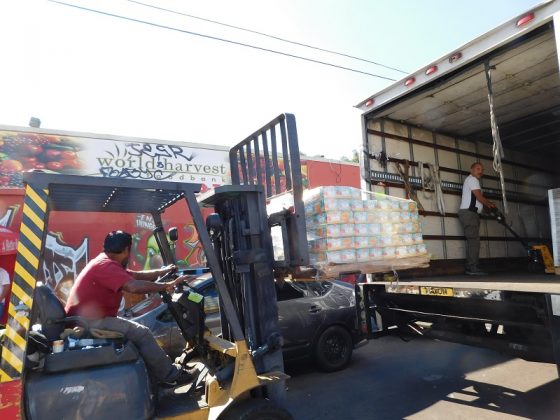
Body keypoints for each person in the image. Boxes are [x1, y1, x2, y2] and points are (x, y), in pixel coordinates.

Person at [65, 230, 194, 386]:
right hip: (89, 322)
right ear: (126, 249)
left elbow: (136, 276)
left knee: (137, 332)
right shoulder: (106, 266)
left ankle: (156, 374)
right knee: (142, 333)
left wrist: (163, 271)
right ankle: (170, 376)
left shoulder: (105, 262)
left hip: (89, 319)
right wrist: (167, 286)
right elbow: (133, 286)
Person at [458, 162, 496, 276]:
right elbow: (479, 197)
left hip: (471, 214)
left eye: (482, 169)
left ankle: (471, 266)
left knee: (473, 241)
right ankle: (472, 267)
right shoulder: (473, 180)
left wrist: (488, 205)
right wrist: (490, 205)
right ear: (471, 170)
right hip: (469, 214)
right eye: (478, 168)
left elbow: (477, 199)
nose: (481, 171)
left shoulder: (472, 180)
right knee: (474, 241)